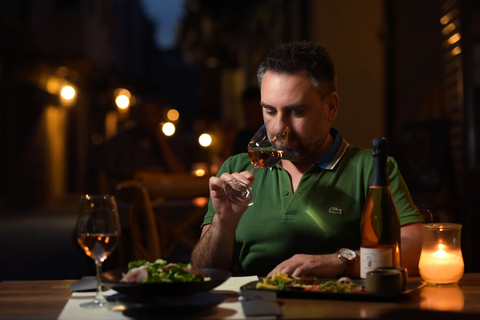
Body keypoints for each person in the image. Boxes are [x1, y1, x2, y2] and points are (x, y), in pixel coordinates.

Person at [191, 41, 423, 278]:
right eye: (270, 111)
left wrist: (342, 262)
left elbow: (417, 250)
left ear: (331, 107)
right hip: (256, 309)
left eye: (296, 111)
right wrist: (223, 223)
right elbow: (203, 271)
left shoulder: (371, 168)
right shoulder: (236, 169)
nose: (279, 128)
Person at [97, 94, 187, 194]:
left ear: (160, 117)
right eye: (144, 115)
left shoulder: (170, 143)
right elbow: (103, 172)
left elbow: (181, 176)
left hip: (163, 201)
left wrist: (163, 144)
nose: (148, 120)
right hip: (127, 200)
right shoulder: (121, 141)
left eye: (153, 115)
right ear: (137, 116)